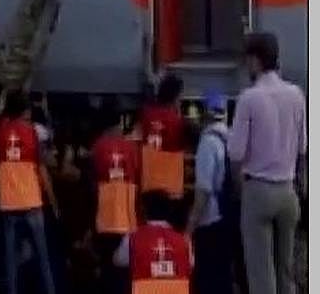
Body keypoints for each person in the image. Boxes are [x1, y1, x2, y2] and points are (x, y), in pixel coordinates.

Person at [228, 32, 306, 294]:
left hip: (258, 190)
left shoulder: (249, 98)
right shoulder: (297, 95)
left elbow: (236, 153)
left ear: (255, 61)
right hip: (287, 191)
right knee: (285, 271)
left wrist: (241, 189)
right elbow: (302, 148)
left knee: (262, 276)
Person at [0, 90, 60, 294]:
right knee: (44, 256)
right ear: (25, 110)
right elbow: (42, 170)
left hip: (8, 203)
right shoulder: (32, 133)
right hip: (32, 202)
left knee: (9, 258)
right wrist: (53, 201)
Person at [184, 91, 232, 294]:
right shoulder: (231, 138)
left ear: (205, 114)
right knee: (223, 276)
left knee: (207, 279)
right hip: (229, 216)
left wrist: (189, 228)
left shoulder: (207, 143)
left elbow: (203, 190)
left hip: (210, 220)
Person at [91, 97, 139, 294]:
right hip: (127, 218)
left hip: (104, 219)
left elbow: (92, 184)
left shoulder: (97, 147)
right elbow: (137, 180)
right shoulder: (130, 148)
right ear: (119, 121)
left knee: (107, 269)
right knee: (126, 272)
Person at [113, 191, 193, 294]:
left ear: (144, 212)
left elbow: (118, 260)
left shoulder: (133, 236)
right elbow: (190, 264)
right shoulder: (184, 239)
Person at [138, 73, 186, 201]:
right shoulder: (176, 121)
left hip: (148, 181)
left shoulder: (146, 115)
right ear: (175, 97)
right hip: (169, 184)